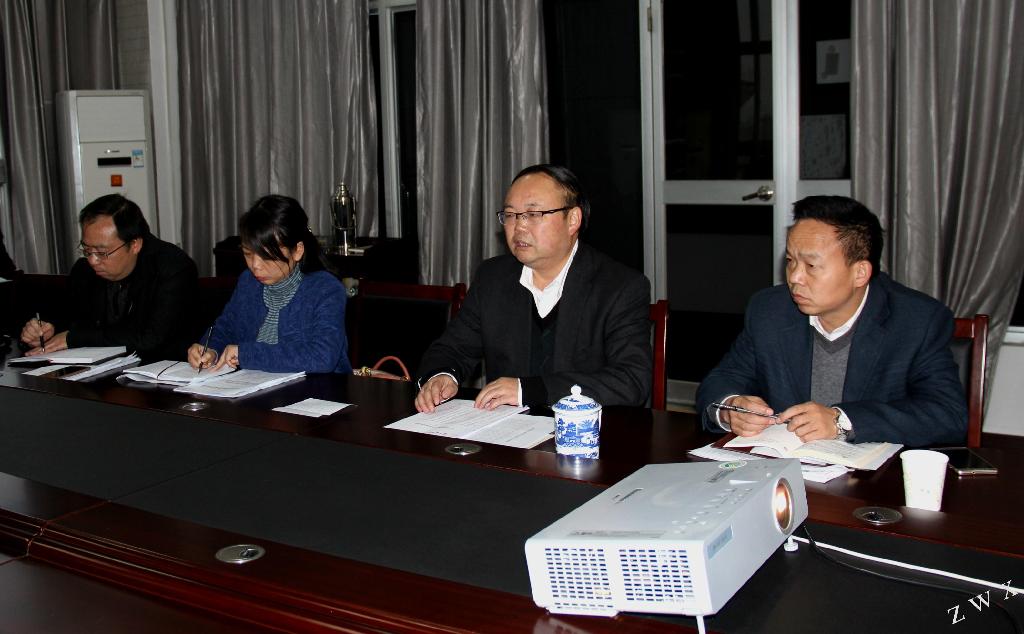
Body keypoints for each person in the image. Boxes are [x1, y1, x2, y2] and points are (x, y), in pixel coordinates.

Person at [696, 195, 967, 447]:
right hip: (783, 467)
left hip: (870, 475)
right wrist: (731, 408)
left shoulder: (917, 320)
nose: (794, 277)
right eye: (790, 261)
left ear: (860, 273)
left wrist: (841, 421)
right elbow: (723, 379)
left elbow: (947, 414)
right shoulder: (770, 310)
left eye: (811, 266)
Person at [415, 164, 652, 412]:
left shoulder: (619, 287)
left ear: (573, 220)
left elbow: (631, 380)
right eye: (510, 215)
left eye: (533, 214)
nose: (519, 226)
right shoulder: (493, 278)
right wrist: (441, 376)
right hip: (506, 429)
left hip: (587, 430)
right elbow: (452, 348)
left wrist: (528, 390)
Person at [20, 194, 197, 362]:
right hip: (97, 370)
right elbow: (68, 317)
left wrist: (75, 337)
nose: (92, 260)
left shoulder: (173, 268)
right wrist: (45, 330)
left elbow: (151, 338)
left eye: (102, 252)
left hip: (158, 372)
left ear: (134, 244)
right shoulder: (84, 270)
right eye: (87, 250)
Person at [188, 195, 351, 374]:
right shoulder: (248, 283)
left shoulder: (326, 289)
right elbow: (226, 328)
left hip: (318, 389)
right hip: (254, 385)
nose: (255, 265)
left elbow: (322, 356)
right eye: (248, 254)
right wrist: (210, 349)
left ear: (297, 251)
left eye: (266, 256)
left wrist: (247, 354)